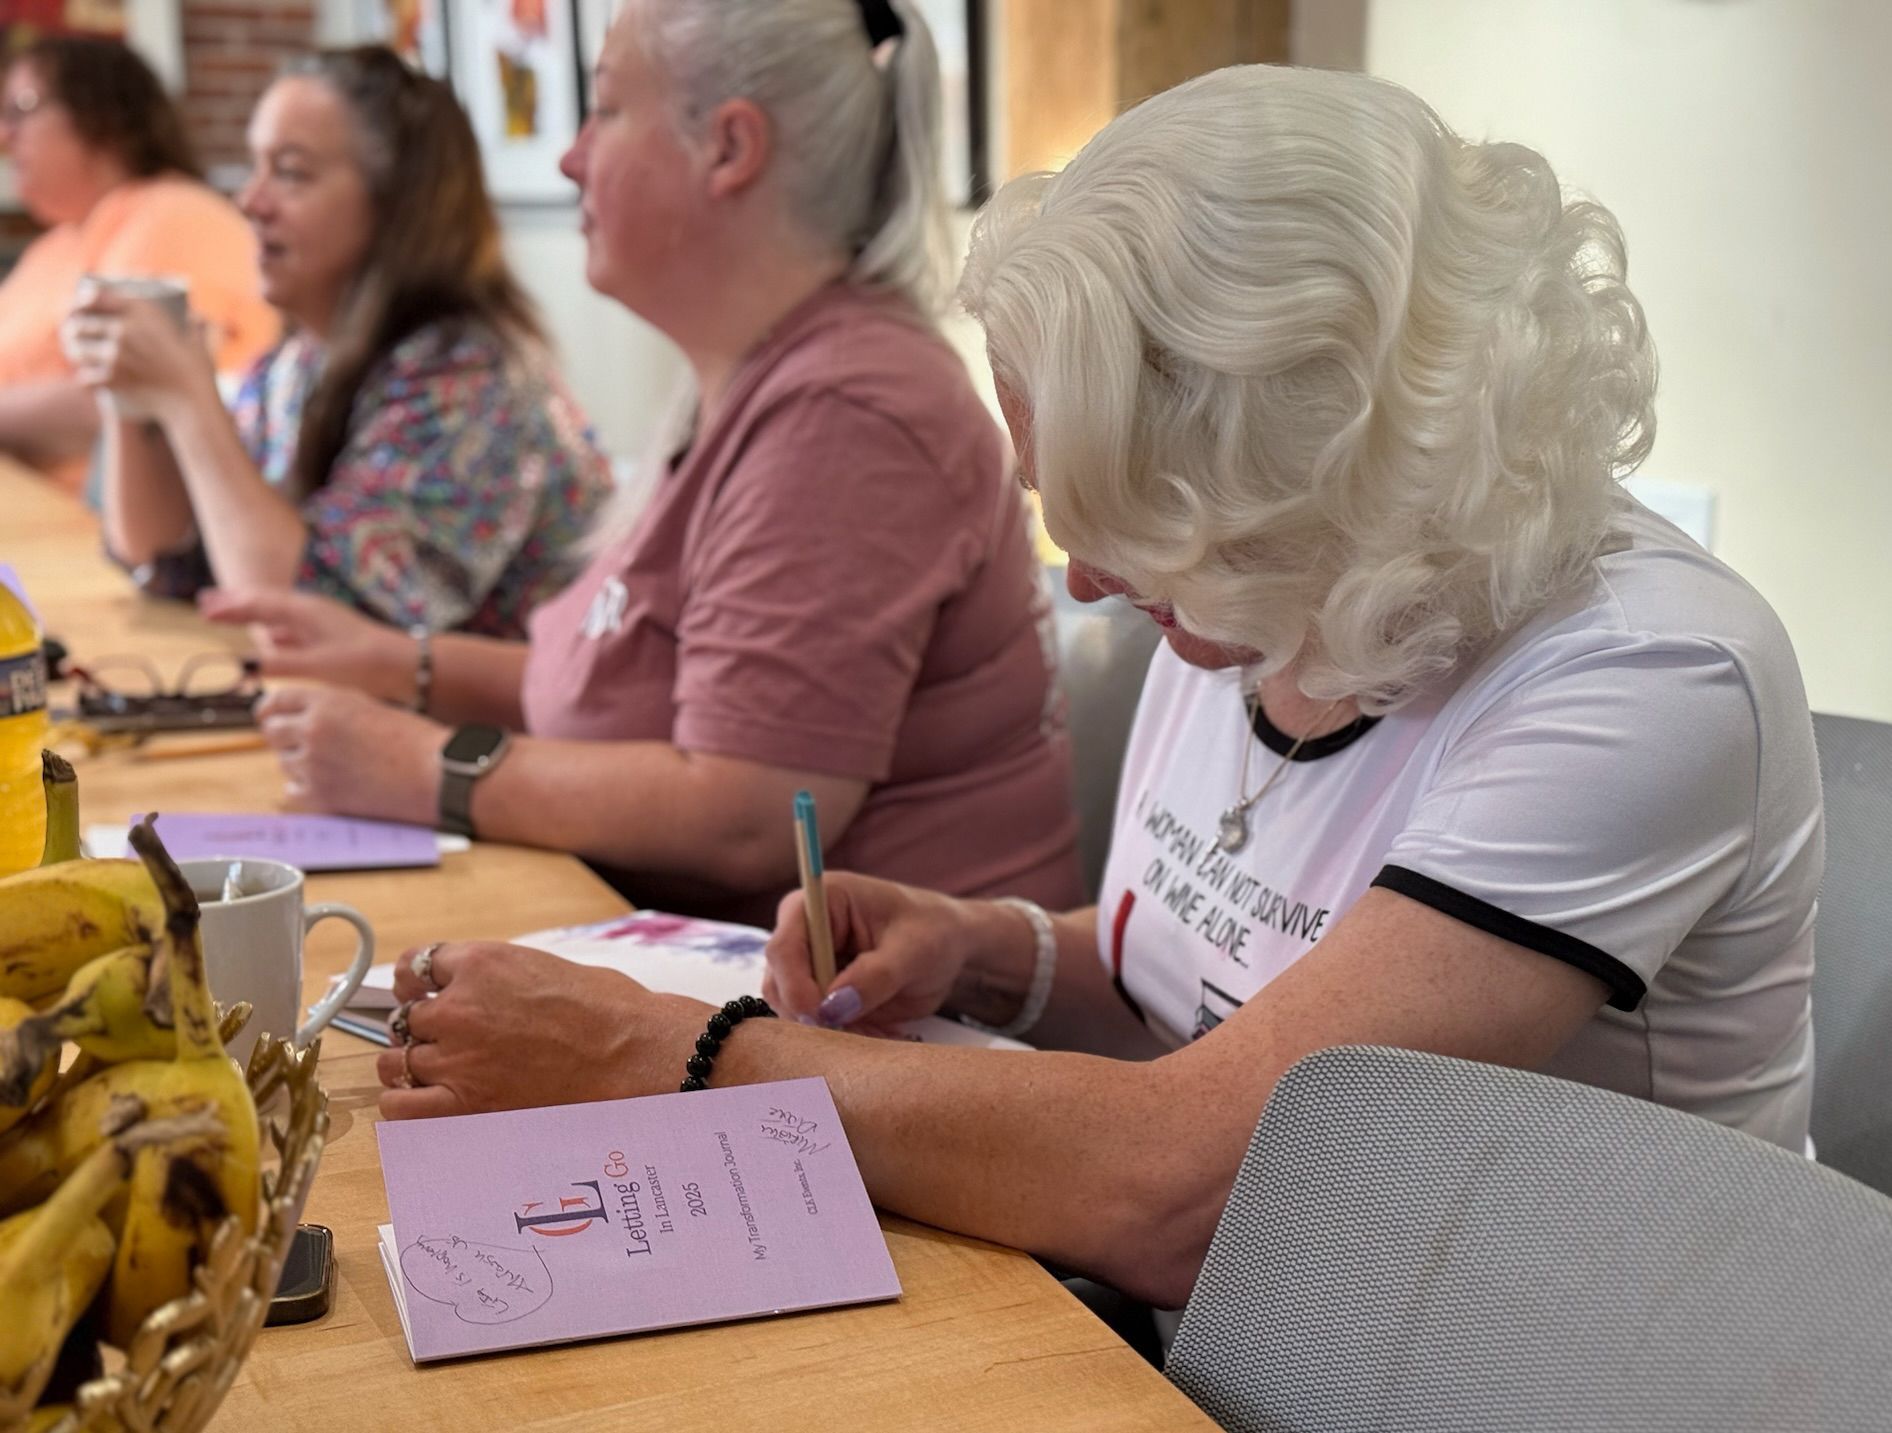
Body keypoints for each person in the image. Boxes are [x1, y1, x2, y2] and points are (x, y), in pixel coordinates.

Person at [365, 64, 1825, 1309]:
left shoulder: (1644, 674)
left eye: (1136, 535)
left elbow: (1198, 1183)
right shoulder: (1276, 580)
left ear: (1322, 475)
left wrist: (662, 1054)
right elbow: (1213, 981)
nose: (1087, 585)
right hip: (1271, 1334)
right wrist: (983, 948)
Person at [198, 0, 1082, 924]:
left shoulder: (848, 415)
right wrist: (398, 662)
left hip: (875, 1005)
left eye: (607, 110)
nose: (571, 158)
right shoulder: (755, 375)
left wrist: (423, 767)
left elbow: (748, 813)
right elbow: (614, 685)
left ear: (729, 149)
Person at [64, 46, 610, 637]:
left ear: (396, 203)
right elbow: (169, 560)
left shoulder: (468, 383)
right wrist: (131, 393)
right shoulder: (291, 368)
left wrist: (189, 401)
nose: (250, 202)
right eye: (255, 167)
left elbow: (312, 621)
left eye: (290, 172)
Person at [0, 36, 275, 487]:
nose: (5, 134)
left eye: (21, 109)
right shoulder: (54, 245)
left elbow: (125, 401)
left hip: (95, 517)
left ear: (99, 114)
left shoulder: (173, 215)